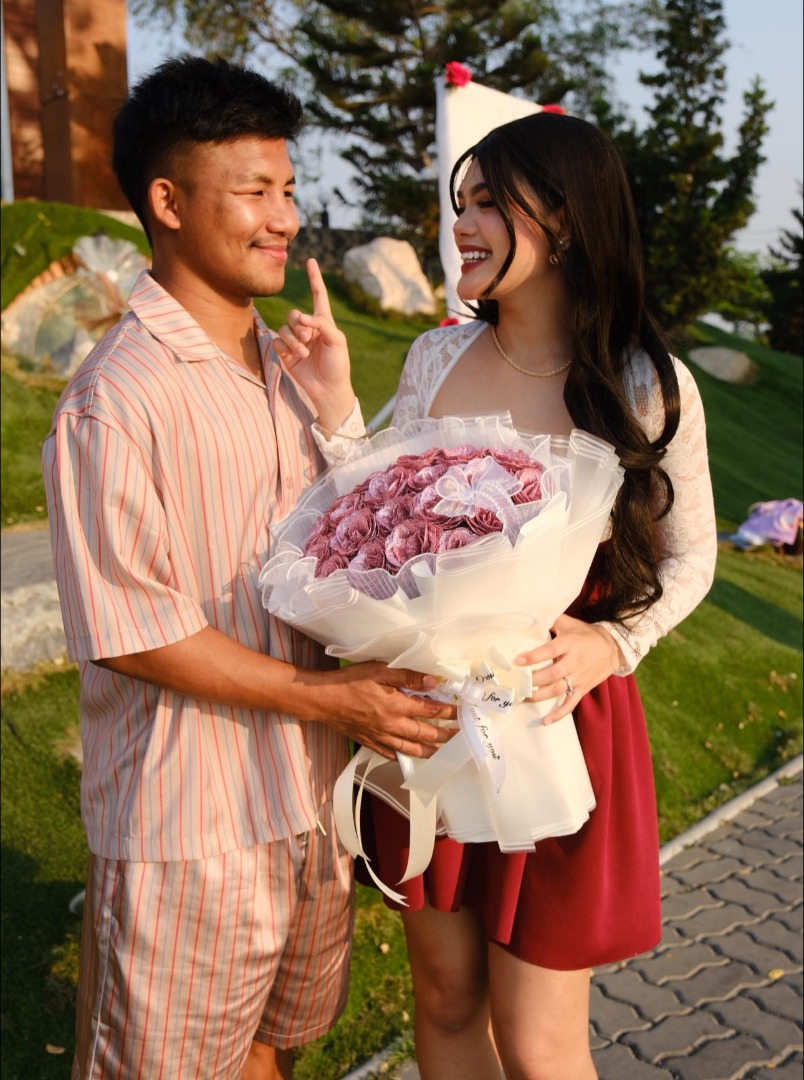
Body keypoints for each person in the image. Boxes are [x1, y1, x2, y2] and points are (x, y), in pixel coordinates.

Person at [42, 56, 454, 1080]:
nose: (286, 219)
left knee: (273, 1049)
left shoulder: (285, 364)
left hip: (311, 806)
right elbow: (135, 634)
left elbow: (351, 548)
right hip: (191, 829)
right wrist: (333, 699)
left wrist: (337, 406)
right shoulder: (114, 401)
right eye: (256, 192)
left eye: (289, 189)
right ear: (168, 202)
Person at [292, 111, 717, 1079]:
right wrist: (335, 404)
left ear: (564, 219)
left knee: (537, 1041)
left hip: (557, 714)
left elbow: (694, 558)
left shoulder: (648, 383)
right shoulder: (435, 359)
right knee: (446, 1001)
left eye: (488, 202)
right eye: (463, 202)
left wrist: (613, 645)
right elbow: (382, 515)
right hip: (429, 720)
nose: (462, 225)